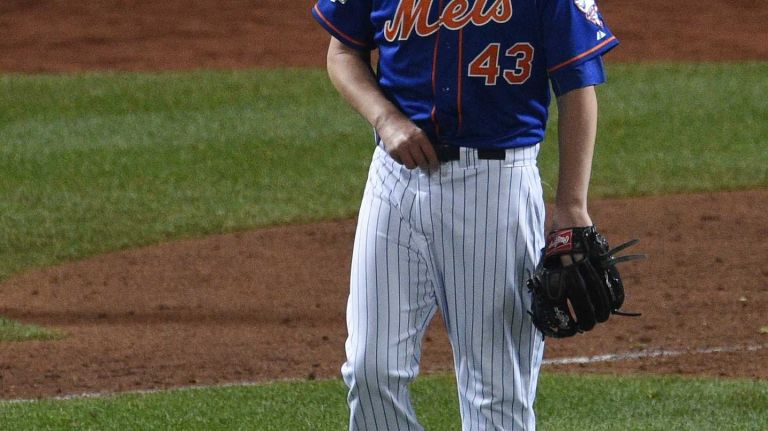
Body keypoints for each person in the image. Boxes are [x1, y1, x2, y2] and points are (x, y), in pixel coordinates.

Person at [312, 0, 618, 429]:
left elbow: (576, 87)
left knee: (496, 391)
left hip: (494, 186)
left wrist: (571, 206)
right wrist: (385, 118)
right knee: (369, 369)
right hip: (392, 180)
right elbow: (342, 52)